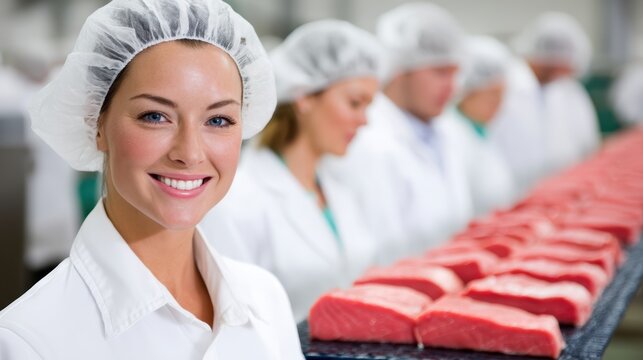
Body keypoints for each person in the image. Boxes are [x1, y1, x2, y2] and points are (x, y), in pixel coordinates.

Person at [0, 1, 304, 359]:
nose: (189, 152)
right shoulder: (28, 341)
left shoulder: (265, 298)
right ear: (96, 123)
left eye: (219, 120)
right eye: (155, 116)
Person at [201, 20, 382, 322]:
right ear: (305, 97)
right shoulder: (237, 202)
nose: (365, 121)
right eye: (355, 103)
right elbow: (231, 321)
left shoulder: (339, 186)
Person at [323, 2, 470, 264]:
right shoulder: (365, 142)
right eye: (440, 72)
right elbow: (382, 256)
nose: (452, 87)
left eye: (454, 73)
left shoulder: (448, 131)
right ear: (399, 70)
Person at [437, 36, 516, 216]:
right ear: (465, 92)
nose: (499, 103)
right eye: (492, 94)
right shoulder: (452, 135)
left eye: (503, 94)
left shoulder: (481, 131)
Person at [514, 12, 600, 174]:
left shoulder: (566, 89)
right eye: (566, 65)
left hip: (558, 185)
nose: (568, 73)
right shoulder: (507, 88)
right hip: (517, 189)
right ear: (552, 60)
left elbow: (587, 141)